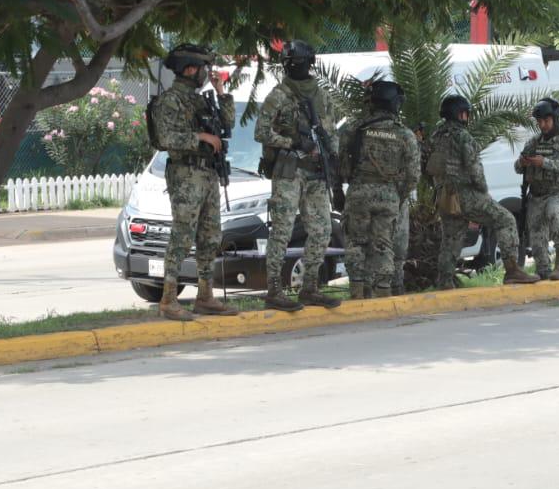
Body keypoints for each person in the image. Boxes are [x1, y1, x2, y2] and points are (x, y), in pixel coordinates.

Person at [151, 43, 238, 321]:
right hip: (186, 174)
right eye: (203, 69)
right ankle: (168, 299)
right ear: (189, 69)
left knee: (210, 236)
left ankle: (205, 296)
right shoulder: (170, 101)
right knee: (182, 235)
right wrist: (200, 138)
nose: (205, 73)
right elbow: (166, 139)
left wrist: (221, 92)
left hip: (207, 173)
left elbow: (227, 125)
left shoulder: (200, 100)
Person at [253, 39, 341, 311]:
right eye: (291, 63)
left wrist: (330, 155)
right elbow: (261, 132)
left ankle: (310, 287)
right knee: (281, 230)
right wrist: (292, 143)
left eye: (299, 63)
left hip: (316, 172)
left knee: (322, 230)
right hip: (289, 170)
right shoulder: (279, 95)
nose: (295, 67)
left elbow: (331, 130)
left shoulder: (321, 95)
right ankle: (274, 291)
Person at [430, 96, 540, 287]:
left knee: (451, 238)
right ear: (461, 114)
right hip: (467, 196)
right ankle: (513, 270)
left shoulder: (436, 137)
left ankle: (445, 280)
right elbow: (475, 171)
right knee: (505, 220)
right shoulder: (463, 137)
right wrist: (483, 193)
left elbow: (427, 165)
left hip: (445, 197)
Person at [340, 80, 418, 299]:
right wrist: (398, 196)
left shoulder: (353, 129)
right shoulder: (405, 135)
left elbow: (341, 166)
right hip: (388, 196)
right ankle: (383, 293)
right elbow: (413, 176)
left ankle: (357, 291)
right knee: (383, 243)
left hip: (358, 193)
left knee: (356, 242)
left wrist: (341, 190)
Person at [515, 98, 559, 281]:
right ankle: (543, 269)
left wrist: (545, 162)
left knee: (555, 213)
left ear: (556, 119)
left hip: (557, 194)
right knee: (536, 237)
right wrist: (522, 162)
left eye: (546, 121)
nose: (542, 125)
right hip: (535, 195)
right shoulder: (534, 142)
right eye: (540, 122)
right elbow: (517, 167)